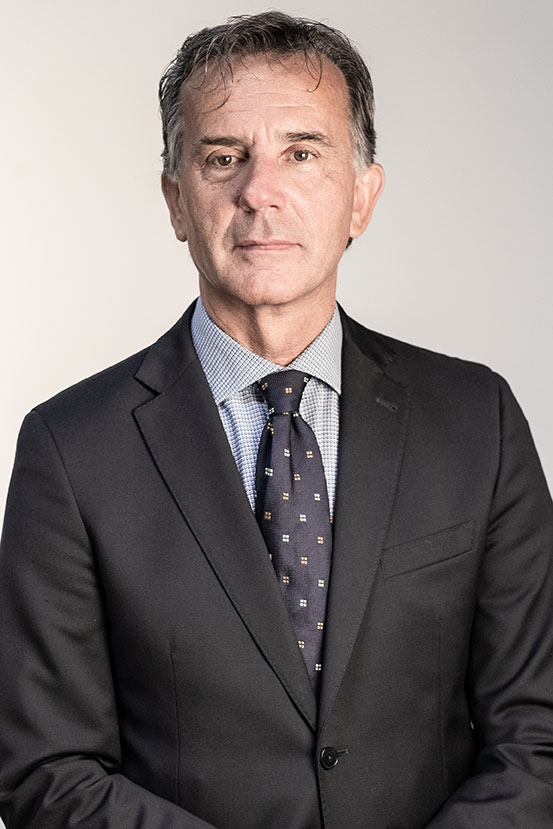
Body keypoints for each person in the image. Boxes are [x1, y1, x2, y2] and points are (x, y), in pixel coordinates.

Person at [1, 9, 553, 828]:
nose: (259, 192)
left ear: (361, 196)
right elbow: (47, 770)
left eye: (302, 153)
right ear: (176, 202)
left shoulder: (479, 422)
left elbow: (536, 733)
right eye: (223, 157)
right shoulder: (71, 449)